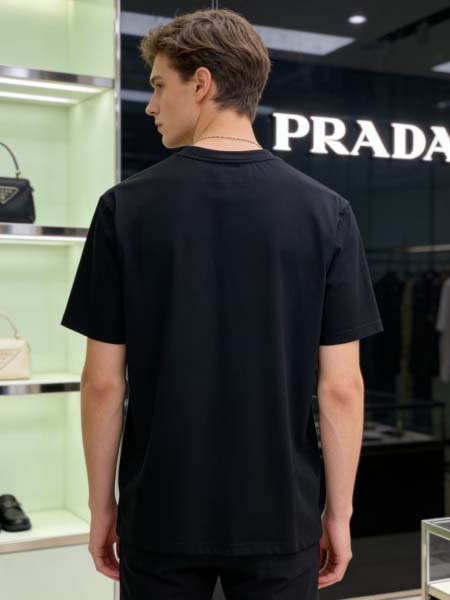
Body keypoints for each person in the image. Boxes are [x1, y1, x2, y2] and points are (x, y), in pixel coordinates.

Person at [60, 7, 384, 599]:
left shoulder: (124, 209)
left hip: (160, 511)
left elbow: (103, 383)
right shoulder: (327, 213)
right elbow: (341, 387)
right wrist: (339, 514)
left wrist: (101, 504)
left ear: (201, 83)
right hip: (280, 514)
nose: (151, 106)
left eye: (160, 85)